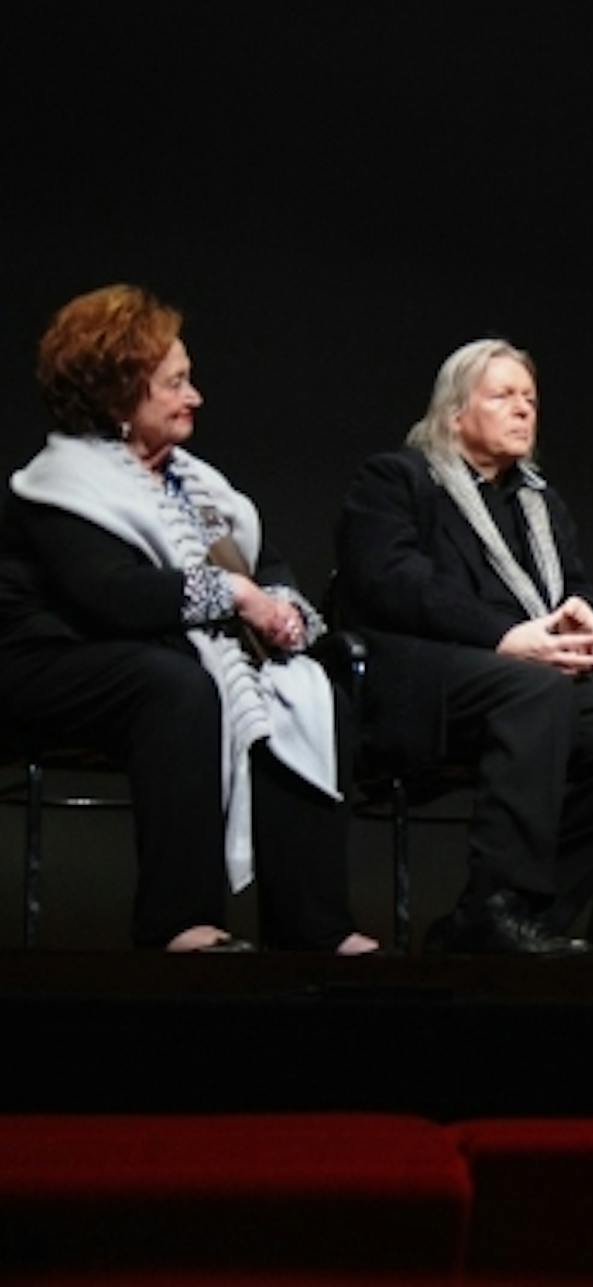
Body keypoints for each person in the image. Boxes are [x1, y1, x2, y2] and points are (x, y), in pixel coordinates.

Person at [0, 284, 373, 954]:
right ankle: (179, 921)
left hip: (155, 654)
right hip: (48, 660)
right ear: (118, 393)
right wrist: (234, 595)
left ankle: (312, 924)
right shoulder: (61, 482)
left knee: (308, 692)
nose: (194, 397)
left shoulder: (197, 484)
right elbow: (109, 595)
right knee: (175, 687)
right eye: (174, 383)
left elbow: (269, 565)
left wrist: (282, 606)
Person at [334, 339, 593, 956]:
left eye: (530, 399)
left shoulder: (539, 502)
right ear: (455, 413)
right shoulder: (398, 479)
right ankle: (499, 899)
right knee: (533, 688)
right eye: (503, 396)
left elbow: (574, 587)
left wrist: (587, 619)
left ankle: (521, 917)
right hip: (423, 682)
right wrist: (504, 637)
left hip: (529, 688)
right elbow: (390, 583)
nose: (523, 410)